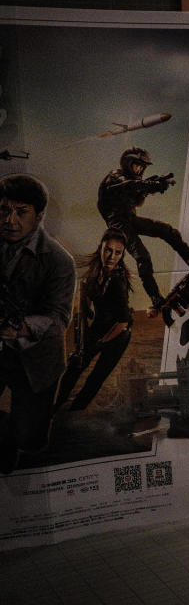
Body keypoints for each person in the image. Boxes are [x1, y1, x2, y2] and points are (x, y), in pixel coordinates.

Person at [0, 174, 76, 473]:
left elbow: (58, 319)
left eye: (21, 211)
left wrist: (20, 328)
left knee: (30, 444)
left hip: (36, 359)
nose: (10, 220)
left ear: (39, 216)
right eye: (4, 209)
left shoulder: (59, 261)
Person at [97, 146, 189, 314]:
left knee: (167, 230)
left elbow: (137, 199)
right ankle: (156, 298)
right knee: (143, 257)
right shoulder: (115, 176)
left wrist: (153, 187)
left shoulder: (132, 181)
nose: (140, 169)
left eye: (142, 167)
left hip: (129, 219)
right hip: (118, 223)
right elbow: (128, 186)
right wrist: (149, 185)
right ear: (128, 163)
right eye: (137, 165)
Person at [55, 228, 133, 411]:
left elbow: (123, 321)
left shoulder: (117, 282)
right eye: (108, 250)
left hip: (118, 334)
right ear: (101, 248)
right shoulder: (94, 272)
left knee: (96, 377)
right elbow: (87, 300)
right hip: (99, 326)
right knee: (74, 366)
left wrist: (100, 343)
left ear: (122, 255)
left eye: (117, 253)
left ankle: (76, 410)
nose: (111, 256)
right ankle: (55, 405)